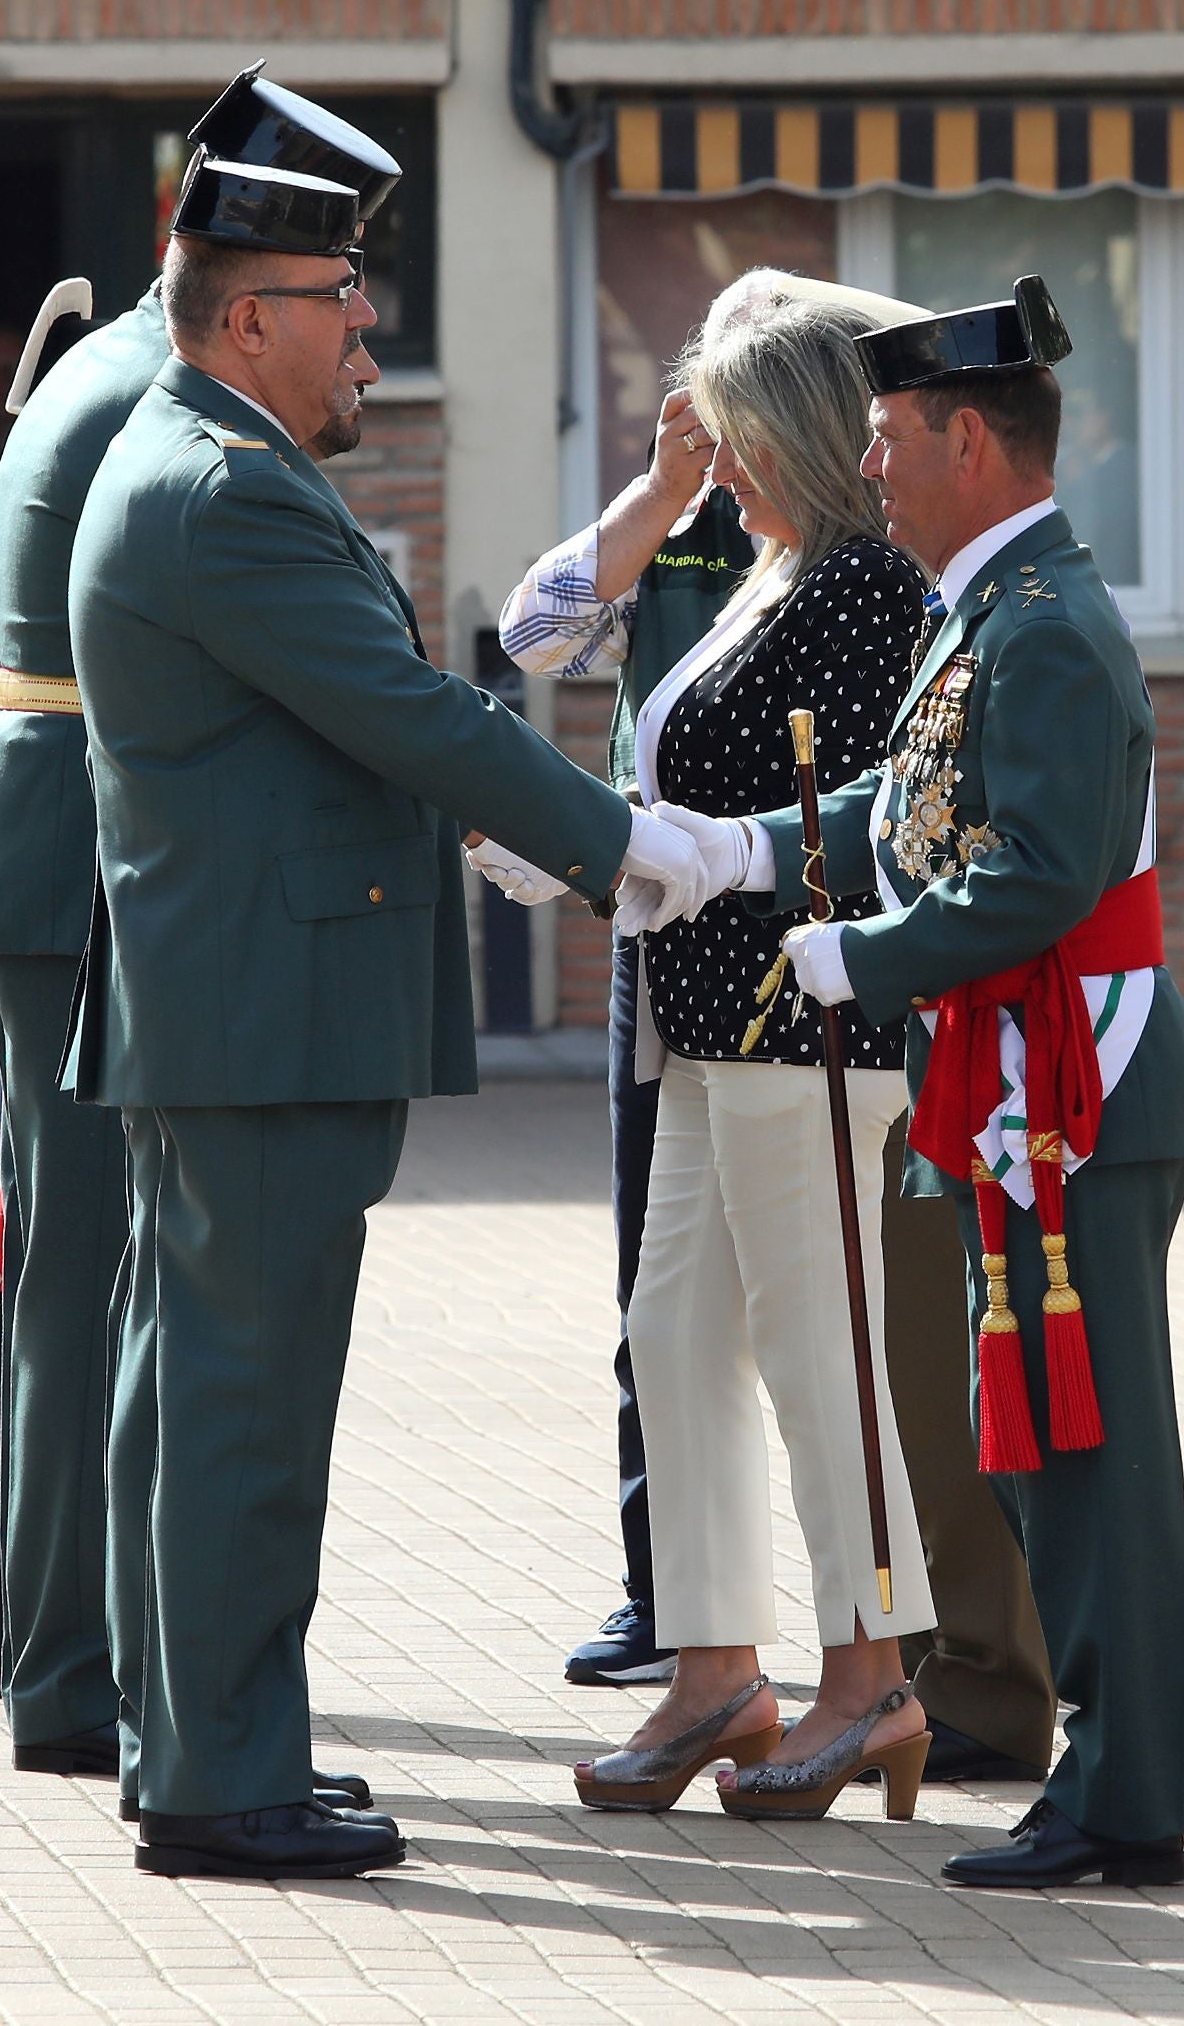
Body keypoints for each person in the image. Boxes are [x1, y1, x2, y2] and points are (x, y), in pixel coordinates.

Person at [68, 152, 708, 1880]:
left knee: (201, 1388)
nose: (367, 335)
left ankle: (200, 1746)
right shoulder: (224, 487)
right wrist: (624, 849)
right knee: (242, 1406)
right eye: (343, 303)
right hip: (258, 1012)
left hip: (235, 1003)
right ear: (252, 316)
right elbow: (411, 714)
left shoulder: (214, 463)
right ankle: (221, 1783)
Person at [638, 286, 1184, 1888]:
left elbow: (1036, 872)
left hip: (1079, 1078)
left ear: (961, 436)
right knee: (1037, 1446)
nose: (865, 463)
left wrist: (860, 957)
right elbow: (912, 794)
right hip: (1016, 1080)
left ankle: (1125, 1793)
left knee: (1080, 1450)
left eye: (883, 435)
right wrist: (744, 851)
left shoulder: (1049, 622)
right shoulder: (987, 603)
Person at [502, 276, 1063, 1790]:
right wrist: (601, 842)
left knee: (824, 1354)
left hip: (801, 1013)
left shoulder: (871, 590)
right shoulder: (766, 562)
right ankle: (709, 1669)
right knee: (672, 1339)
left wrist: (660, 844)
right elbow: (540, 631)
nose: (714, 461)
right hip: (702, 1014)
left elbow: (884, 821)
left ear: (803, 436)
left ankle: (871, 1671)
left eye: (738, 435)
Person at [0, 67, 407, 1813]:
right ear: (244, 264)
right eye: (335, 270)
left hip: (64, 842)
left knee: (97, 1293)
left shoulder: (111, 367)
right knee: (103, 1291)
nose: (353, 312)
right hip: (106, 866)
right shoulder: (175, 398)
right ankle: (81, 1672)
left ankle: (90, 1664)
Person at [498, 374, 748, 1693]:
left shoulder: (855, 535)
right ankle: (669, 1594)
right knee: (655, 1287)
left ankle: (896, 1614)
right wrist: (659, 489)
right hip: (658, 931)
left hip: (798, 930)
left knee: (837, 1300)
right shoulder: (686, 519)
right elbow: (530, 633)